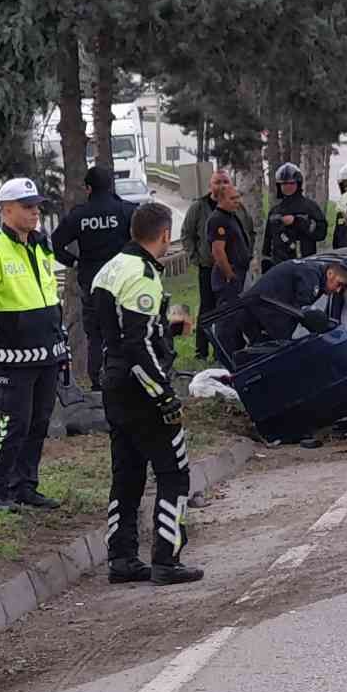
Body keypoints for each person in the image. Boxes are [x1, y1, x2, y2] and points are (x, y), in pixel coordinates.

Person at [90, 201, 204, 585]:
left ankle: (121, 558)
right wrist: (165, 396)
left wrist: (167, 330)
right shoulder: (143, 274)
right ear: (165, 234)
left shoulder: (110, 268)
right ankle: (166, 559)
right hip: (140, 388)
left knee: (127, 474)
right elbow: (136, 344)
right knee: (174, 472)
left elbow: (116, 330)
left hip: (113, 383)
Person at [0, 177, 71, 513]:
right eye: (27, 206)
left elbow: (50, 296)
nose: (35, 212)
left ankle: (25, 486)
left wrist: (61, 342)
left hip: (47, 351)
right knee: (14, 423)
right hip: (12, 355)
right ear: (6, 210)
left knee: (39, 423)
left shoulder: (41, 244)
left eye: (37, 206)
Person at [50, 166, 137, 391]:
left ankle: (98, 382)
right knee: (127, 328)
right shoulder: (127, 211)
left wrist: (74, 262)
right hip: (124, 281)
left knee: (96, 335)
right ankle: (127, 376)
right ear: (111, 185)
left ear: (88, 188)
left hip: (92, 282)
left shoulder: (79, 215)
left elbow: (55, 244)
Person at [181, 170, 254, 362]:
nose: (221, 185)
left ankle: (229, 349)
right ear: (210, 185)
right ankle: (202, 350)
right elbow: (187, 234)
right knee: (208, 308)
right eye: (217, 182)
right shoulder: (200, 207)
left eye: (225, 181)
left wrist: (247, 253)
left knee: (232, 309)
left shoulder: (237, 208)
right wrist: (197, 258)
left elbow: (248, 230)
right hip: (209, 267)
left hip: (236, 268)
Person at [216, 259, 347, 363]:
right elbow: (301, 314)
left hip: (260, 309)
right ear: (330, 273)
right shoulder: (311, 277)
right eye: (339, 284)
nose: (338, 290)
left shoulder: (314, 271)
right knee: (278, 355)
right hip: (260, 312)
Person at [206, 184, 254, 365]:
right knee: (227, 321)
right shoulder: (217, 220)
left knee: (238, 318)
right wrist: (230, 275)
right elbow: (218, 251)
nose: (237, 201)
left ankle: (238, 355)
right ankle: (226, 360)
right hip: (228, 276)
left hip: (240, 272)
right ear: (220, 199)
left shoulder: (231, 216)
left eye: (238, 197)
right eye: (232, 198)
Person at [262, 162, 326, 270]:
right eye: (284, 184)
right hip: (279, 267)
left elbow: (321, 233)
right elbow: (267, 243)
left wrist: (297, 221)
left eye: (291, 183)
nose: (287, 187)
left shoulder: (310, 207)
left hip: (304, 265)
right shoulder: (275, 211)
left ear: (298, 184)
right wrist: (266, 266)